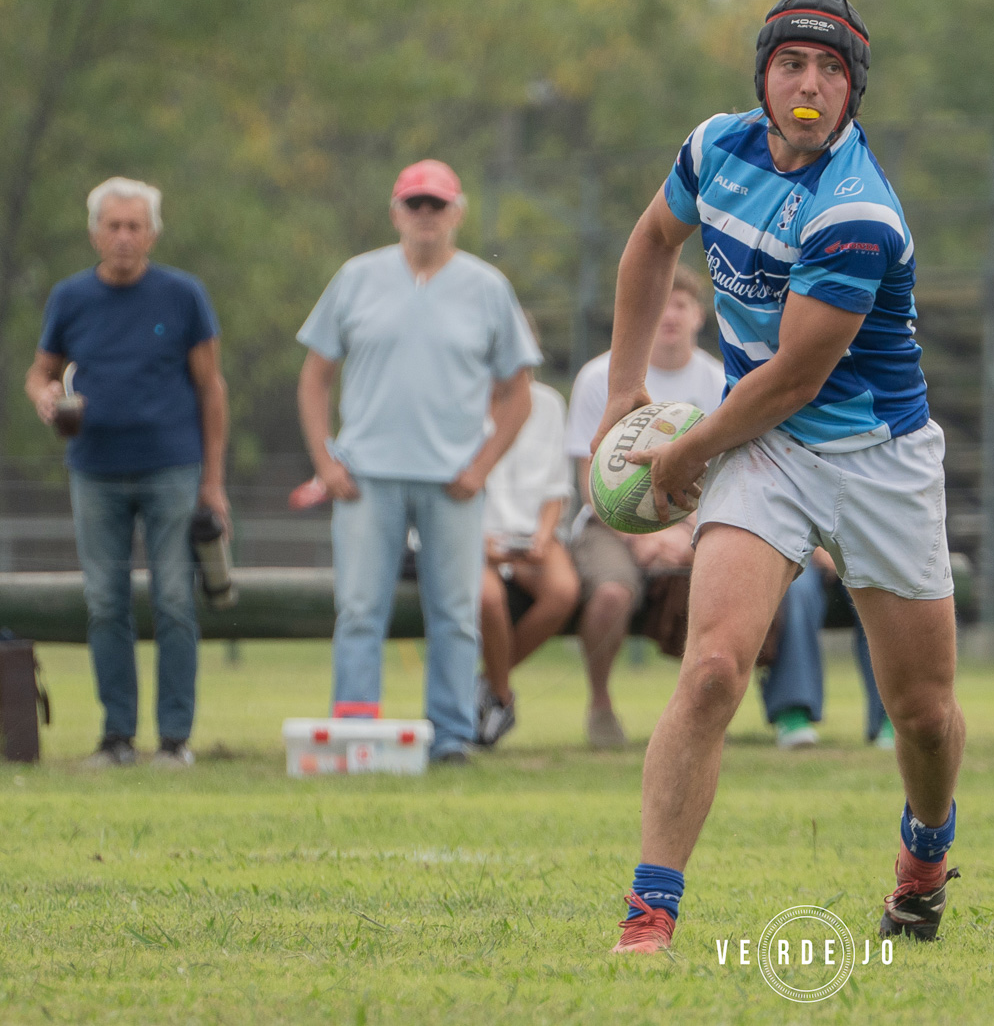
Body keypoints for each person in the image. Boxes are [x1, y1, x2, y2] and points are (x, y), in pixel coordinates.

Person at [597, 0, 964, 953]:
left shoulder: (858, 213)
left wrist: (684, 451)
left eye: (831, 70)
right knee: (713, 669)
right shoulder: (714, 148)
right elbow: (651, 243)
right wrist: (623, 391)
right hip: (768, 447)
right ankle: (649, 915)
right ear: (762, 76)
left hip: (878, 458)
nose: (809, 84)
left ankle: (925, 854)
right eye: (791, 64)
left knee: (923, 716)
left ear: (853, 92)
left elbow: (797, 377)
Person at [296, 159, 539, 765]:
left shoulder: (487, 287)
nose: (425, 215)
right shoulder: (356, 278)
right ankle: (355, 729)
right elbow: (315, 377)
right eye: (415, 204)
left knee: (456, 614)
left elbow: (519, 392)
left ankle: (451, 736)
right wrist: (326, 461)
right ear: (395, 212)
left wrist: (481, 467)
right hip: (365, 478)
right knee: (359, 609)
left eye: (437, 205)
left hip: (453, 481)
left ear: (458, 213)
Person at [24, 177, 230, 769]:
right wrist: (44, 397)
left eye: (134, 226)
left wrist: (213, 482)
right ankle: (116, 736)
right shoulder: (70, 298)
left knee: (174, 599)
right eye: (112, 226)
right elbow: (39, 373)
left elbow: (211, 389)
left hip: (172, 468)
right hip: (94, 470)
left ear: (153, 234)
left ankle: (174, 739)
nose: (123, 236)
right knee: (105, 603)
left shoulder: (183, 295)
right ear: (94, 233)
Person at [563, 266, 723, 748]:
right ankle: (600, 704)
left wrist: (686, 532)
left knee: (734, 587)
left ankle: (708, 714)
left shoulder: (720, 380)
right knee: (612, 593)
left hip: (697, 522)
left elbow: (725, 476)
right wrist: (643, 537)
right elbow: (589, 481)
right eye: (660, 304)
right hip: (608, 522)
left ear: (699, 315)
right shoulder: (600, 376)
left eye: (681, 304)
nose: (669, 315)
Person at [474, 358, 579, 747]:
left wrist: (542, 537)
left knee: (563, 592)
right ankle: (501, 698)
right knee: (488, 599)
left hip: (529, 536)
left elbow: (557, 486)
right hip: (472, 534)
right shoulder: (458, 399)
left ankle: (485, 685)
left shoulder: (548, 404)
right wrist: (478, 541)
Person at [762, 549, 892, 749]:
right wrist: (819, 548)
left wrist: (842, 549)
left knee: (881, 587)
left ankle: (893, 715)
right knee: (796, 589)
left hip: (860, 550)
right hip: (799, 551)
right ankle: (793, 711)